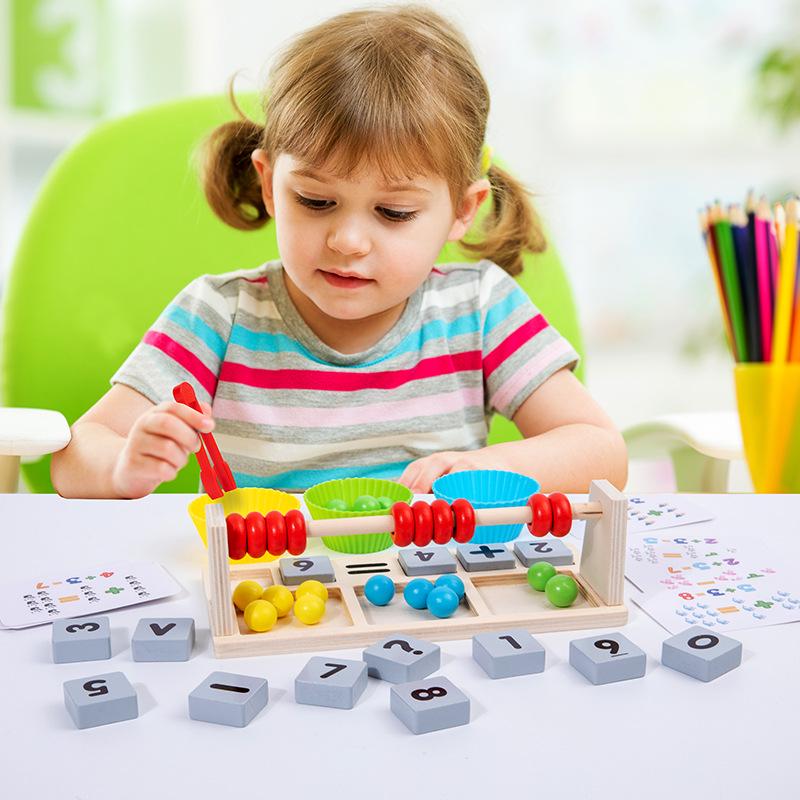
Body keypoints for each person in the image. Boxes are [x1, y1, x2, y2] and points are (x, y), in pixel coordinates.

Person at [51, 4, 627, 499]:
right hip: (269, 587)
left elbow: (602, 452)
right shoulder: (218, 316)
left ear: (462, 209)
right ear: (269, 184)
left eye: (393, 213)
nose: (347, 241)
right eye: (316, 201)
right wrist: (122, 467)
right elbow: (75, 456)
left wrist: (487, 467)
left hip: (427, 587)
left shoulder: (479, 310)